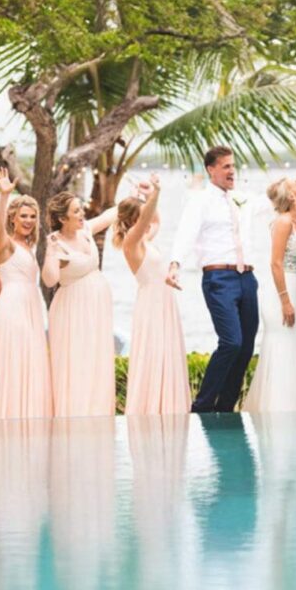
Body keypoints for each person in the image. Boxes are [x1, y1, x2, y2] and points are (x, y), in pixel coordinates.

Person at [167, 146, 258, 412]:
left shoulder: (241, 199)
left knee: (246, 347)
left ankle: (226, 407)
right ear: (211, 169)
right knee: (231, 342)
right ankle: (203, 406)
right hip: (218, 278)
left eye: (233, 166)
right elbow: (186, 233)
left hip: (247, 278)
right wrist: (175, 264)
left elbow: (270, 202)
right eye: (227, 166)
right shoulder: (199, 200)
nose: (232, 171)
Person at [115, 175, 191, 415]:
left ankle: (169, 406)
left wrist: (148, 195)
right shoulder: (131, 242)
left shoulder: (145, 239)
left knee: (167, 352)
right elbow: (149, 218)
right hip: (150, 303)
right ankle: (151, 407)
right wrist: (155, 194)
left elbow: (155, 220)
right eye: (140, 218)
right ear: (132, 221)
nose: (146, 222)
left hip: (164, 301)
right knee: (154, 352)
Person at [43, 190, 120, 417]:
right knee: (77, 360)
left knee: (96, 358)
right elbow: (49, 279)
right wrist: (50, 252)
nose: (82, 213)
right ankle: (75, 414)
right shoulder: (56, 244)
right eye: (76, 210)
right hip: (72, 310)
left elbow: (109, 215)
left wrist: (137, 195)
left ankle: (98, 413)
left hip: (97, 308)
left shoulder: (85, 230)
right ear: (62, 219)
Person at [0, 168, 52, 419]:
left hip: (30, 307)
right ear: (13, 218)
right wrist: (4, 197)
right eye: (23, 215)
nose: (28, 220)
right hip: (12, 309)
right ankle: (11, 416)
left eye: (33, 216)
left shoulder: (28, 246)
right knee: (14, 361)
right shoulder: (7, 245)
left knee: (31, 361)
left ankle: (30, 415)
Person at [242, 178, 296, 413]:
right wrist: (285, 301)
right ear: (291, 196)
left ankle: (294, 407)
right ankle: (276, 409)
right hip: (280, 292)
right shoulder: (282, 223)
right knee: (281, 345)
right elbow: (275, 263)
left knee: (295, 347)